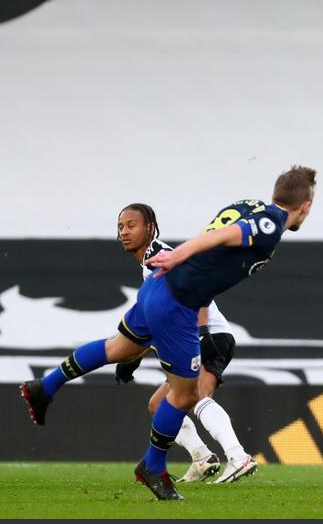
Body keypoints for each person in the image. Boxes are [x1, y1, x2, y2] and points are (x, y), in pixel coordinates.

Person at [20, 166, 317, 501]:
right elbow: (224, 235)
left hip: (160, 290)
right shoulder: (271, 223)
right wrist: (179, 254)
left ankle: (45, 386)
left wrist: (182, 260)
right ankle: (154, 466)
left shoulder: (251, 204)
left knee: (118, 348)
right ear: (305, 205)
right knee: (185, 394)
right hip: (179, 303)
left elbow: (219, 238)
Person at [115, 203, 256, 484]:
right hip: (195, 338)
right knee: (159, 405)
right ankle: (202, 458)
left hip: (207, 336)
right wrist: (133, 358)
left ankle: (238, 456)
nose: (124, 232)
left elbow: (198, 287)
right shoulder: (149, 265)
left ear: (150, 228)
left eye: (132, 225)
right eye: (120, 227)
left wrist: (202, 331)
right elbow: (156, 323)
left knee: (199, 395)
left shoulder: (162, 257)